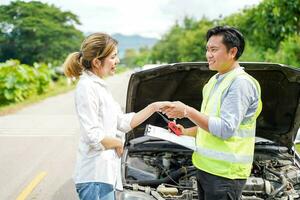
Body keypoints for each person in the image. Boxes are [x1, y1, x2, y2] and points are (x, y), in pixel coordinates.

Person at [63, 33, 169, 200]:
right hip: (94, 177)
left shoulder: (99, 86)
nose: (117, 61)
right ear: (97, 62)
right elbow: (92, 135)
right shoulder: (87, 87)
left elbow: (122, 123)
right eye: (113, 57)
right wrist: (118, 143)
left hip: (104, 176)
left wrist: (153, 107)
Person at [162, 26, 262, 200]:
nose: (208, 55)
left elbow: (225, 129)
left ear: (232, 52)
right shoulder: (213, 82)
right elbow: (209, 124)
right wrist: (185, 132)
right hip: (206, 169)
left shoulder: (240, 84)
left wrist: (186, 111)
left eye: (214, 50)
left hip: (226, 175)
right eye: (207, 49)